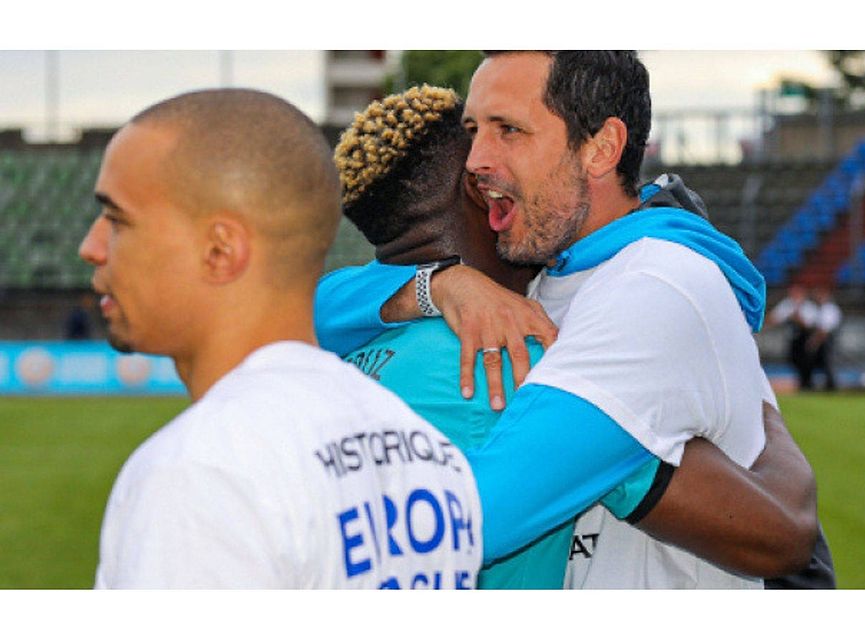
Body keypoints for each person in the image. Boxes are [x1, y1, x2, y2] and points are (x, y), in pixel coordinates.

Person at [317, 57, 825, 589]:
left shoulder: (651, 285)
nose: (475, 159)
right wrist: (442, 285)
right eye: (473, 130)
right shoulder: (534, 272)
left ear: (601, 148)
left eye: (508, 129)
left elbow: (476, 517)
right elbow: (312, 304)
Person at [80, 88, 482, 589]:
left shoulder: (201, 474)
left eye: (117, 220)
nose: (91, 247)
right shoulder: (429, 453)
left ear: (220, 251)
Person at [767, 285, 818, 389]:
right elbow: (774, 318)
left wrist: (797, 318)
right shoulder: (787, 304)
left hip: (805, 338)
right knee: (793, 359)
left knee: (806, 361)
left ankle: (807, 383)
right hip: (792, 338)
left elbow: (810, 325)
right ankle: (803, 382)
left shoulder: (809, 307)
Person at [808, 286, 842, 391]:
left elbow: (825, 330)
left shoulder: (830, 309)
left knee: (828, 363)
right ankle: (811, 384)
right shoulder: (816, 309)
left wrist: (814, 341)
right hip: (820, 339)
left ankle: (832, 386)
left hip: (827, 341)